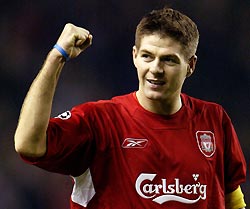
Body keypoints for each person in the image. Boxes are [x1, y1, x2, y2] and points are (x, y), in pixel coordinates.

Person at [14, 7, 246, 209]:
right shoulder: (101, 121)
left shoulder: (213, 119)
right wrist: (57, 55)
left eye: (169, 60)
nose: (156, 68)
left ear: (190, 65)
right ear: (134, 57)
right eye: (147, 56)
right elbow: (28, 144)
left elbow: (231, 198)